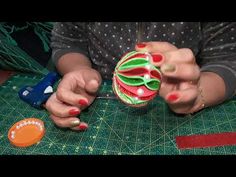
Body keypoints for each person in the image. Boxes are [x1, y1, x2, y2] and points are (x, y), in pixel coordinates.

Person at [45, 22, 236, 131]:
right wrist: (79, 69)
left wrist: (199, 92)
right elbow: (67, 43)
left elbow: (228, 60)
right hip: (100, 93)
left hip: (178, 89)